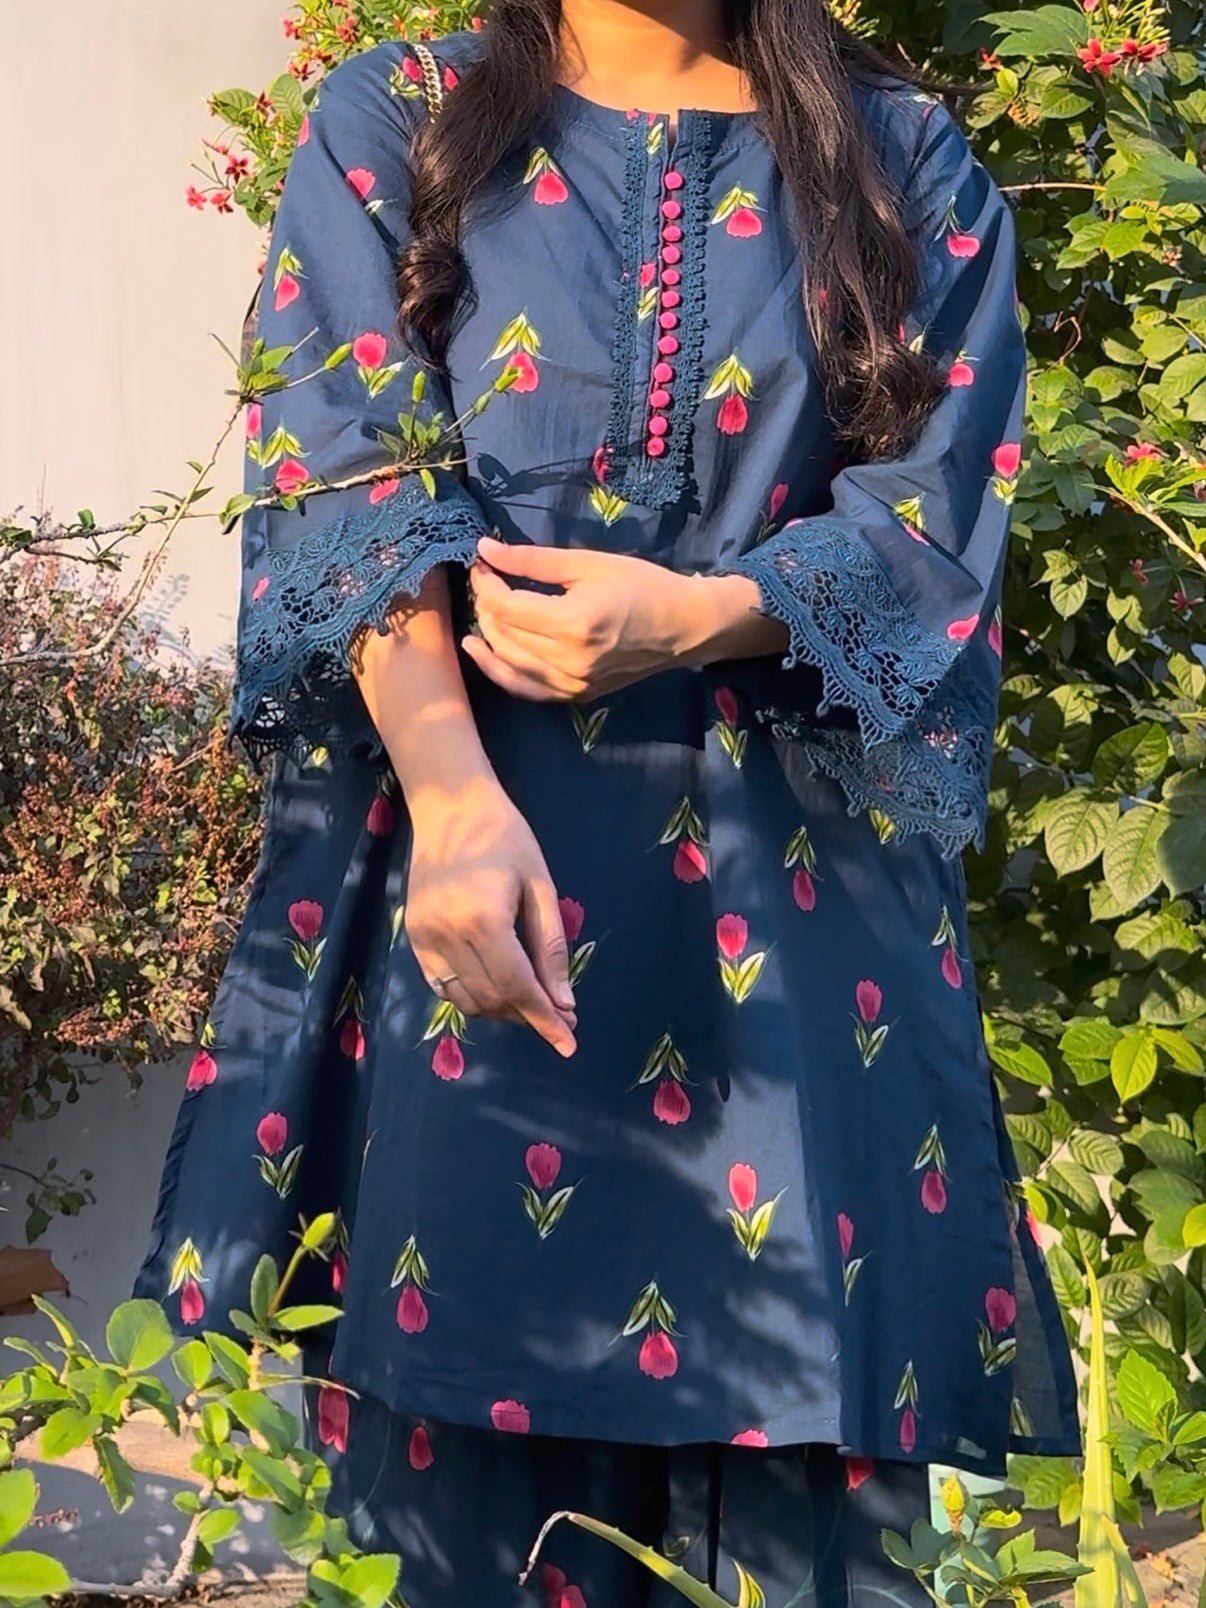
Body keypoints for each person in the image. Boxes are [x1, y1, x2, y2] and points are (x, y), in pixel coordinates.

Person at [132, 0, 1082, 1600]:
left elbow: (936, 512)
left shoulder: (898, 159)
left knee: (793, 1479)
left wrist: (700, 615)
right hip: (477, 905)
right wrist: (451, 798)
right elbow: (347, 481)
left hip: (795, 948)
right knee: (462, 1470)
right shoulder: (402, 123)